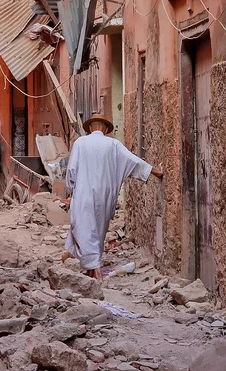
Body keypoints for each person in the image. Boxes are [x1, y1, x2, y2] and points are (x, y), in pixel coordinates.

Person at [63, 112, 163, 281]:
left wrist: (70, 188)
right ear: (105, 129)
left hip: (84, 193)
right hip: (105, 195)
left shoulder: (80, 143)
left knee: (84, 228)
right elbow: (133, 160)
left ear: (90, 128)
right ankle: (91, 268)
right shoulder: (113, 145)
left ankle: (96, 270)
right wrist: (155, 171)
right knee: (99, 229)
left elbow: (71, 170)